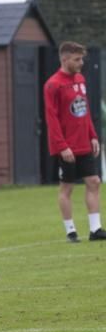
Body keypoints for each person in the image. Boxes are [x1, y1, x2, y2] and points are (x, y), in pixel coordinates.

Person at [43, 41, 105, 243]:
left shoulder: (80, 79)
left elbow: (84, 111)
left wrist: (93, 135)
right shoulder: (53, 84)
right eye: (77, 59)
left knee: (94, 182)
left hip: (84, 143)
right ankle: (71, 231)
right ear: (65, 59)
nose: (81, 63)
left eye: (82, 58)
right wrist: (62, 146)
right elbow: (51, 119)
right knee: (67, 188)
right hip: (67, 147)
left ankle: (95, 230)